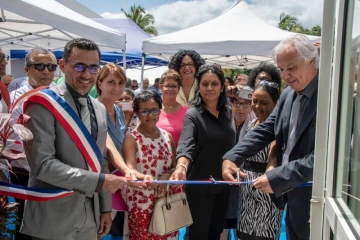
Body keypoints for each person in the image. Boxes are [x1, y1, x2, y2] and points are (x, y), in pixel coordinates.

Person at [20, 38, 128, 240]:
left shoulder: (98, 108)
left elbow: (100, 161)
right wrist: (99, 182)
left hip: (90, 216)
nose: (87, 74)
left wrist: (105, 208)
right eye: (79, 66)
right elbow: (43, 165)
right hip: (53, 216)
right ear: (62, 65)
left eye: (93, 68)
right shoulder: (42, 104)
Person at [222, 34, 319, 240]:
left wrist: (277, 176)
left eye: (291, 68)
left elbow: (326, 158)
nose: (285, 75)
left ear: (312, 60)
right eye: (281, 69)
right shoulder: (288, 95)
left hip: (316, 202)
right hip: (291, 200)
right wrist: (232, 157)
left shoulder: (330, 98)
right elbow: (265, 130)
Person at [171, 64, 235, 239]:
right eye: (205, 83)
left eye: (214, 84)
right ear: (198, 87)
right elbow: (186, 144)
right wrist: (181, 167)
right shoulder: (193, 114)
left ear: (222, 87)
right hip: (199, 189)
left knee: (216, 232)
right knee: (198, 235)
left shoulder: (229, 113)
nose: (209, 88)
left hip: (223, 187)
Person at [8, 47, 57, 240]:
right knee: (26, 228)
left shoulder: (60, 98)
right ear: (27, 70)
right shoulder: (15, 99)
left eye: (51, 67)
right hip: (25, 174)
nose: (46, 71)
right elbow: (13, 139)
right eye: (40, 66)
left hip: (55, 173)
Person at [96, 63, 147, 240]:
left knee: (116, 231)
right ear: (99, 83)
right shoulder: (94, 110)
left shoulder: (118, 110)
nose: (116, 88)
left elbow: (119, 141)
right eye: (111, 82)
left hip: (118, 181)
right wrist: (127, 169)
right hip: (101, 181)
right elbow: (106, 147)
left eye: (120, 83)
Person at [123, 90, 178, 240]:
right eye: (145, 111)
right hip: (142, 204)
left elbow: (175, 167)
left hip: (166, 202)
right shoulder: (132, 139)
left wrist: (167, 175)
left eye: (154, 110)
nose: (150, 115)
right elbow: (130, 170)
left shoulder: (167, 136)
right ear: (137, 113)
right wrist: (145, 178)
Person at [237, 81, 283, 240]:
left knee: (265, 234)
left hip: (267, 189)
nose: (257, 106)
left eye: (264, 103)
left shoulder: (278, 127)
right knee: (244, 234)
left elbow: (274, 154)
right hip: (246, 191)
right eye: (254, 101)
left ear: (275, 104)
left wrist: (269, 177)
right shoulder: (251, 124)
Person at [157, 70, 187, 146]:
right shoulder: (153, 109)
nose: (170, 89)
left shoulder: (186, 112)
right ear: (161, 87)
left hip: (179, 156)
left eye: (174, 86)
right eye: (167, 86)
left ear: (179, 88)